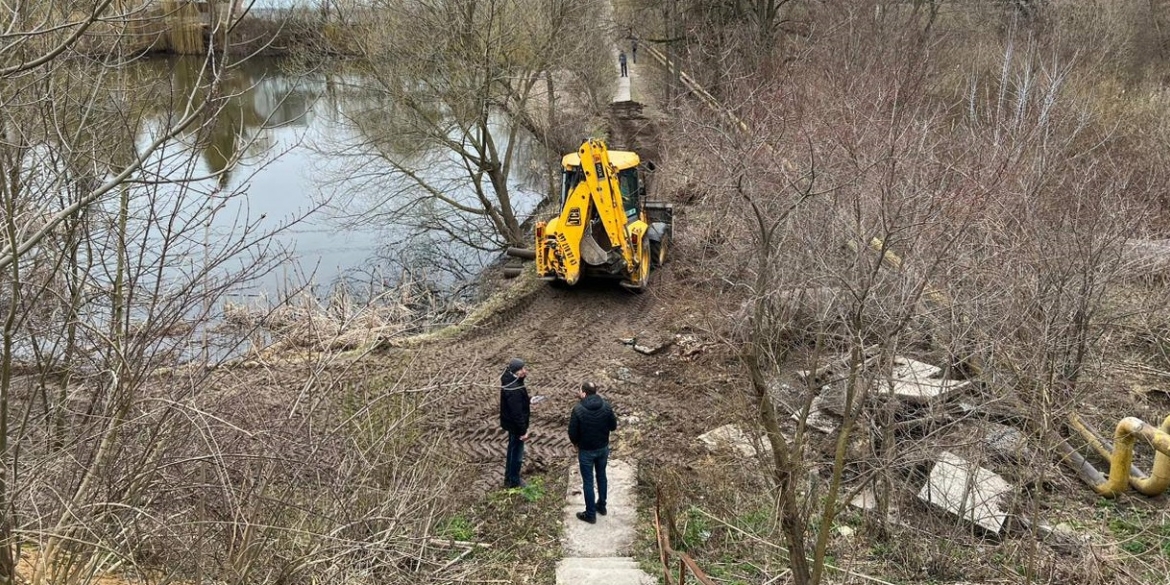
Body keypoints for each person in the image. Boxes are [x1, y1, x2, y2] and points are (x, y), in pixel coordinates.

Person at [568, 381, 617, 523]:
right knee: (602, 476)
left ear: (584, 393)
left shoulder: (578, 409)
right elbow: (613, 426)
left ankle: (590, 514)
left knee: (588, 481)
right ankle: (601, 506)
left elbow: (572, 433)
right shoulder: (606, 406)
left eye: (579, 390)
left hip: (586, 451)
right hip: (603, 449)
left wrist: (576, 444)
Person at [499, 358, 531, 488]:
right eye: (522, 369)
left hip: (510, 424)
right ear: (515, 372)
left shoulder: (510, 381)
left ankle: (509, 478)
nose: (525, 371)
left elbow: (517, 403)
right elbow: (517, 413)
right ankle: (514, 480)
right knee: (517, 454)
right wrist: (523, 431)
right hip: (515, 426)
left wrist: (528, 400)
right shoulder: (514, 389)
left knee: (512, 450)